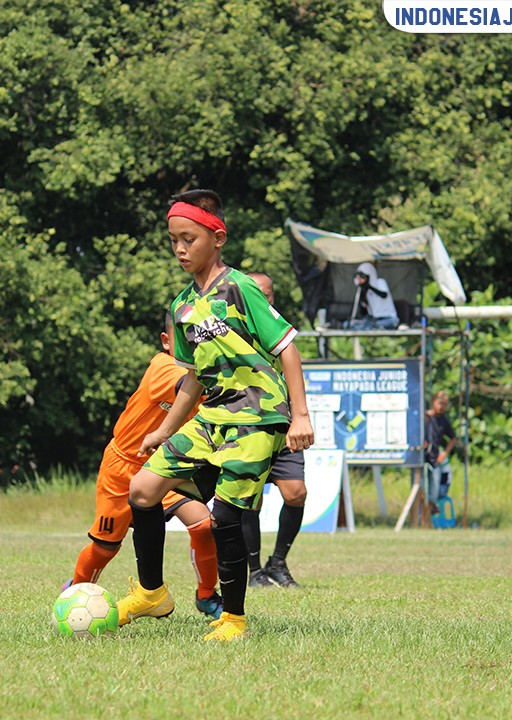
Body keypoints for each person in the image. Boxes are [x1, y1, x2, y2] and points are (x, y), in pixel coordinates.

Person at [116, 189, 314, 642]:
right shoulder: (182, 306)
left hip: (258, 419)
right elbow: (191, 380)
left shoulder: (240, 287)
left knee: (226, 516)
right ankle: (151, 594)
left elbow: (288, 348)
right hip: (211, 419)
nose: (181, 249)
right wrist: (163, 431)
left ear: (217, 237)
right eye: (173, 241)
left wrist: (300, 416)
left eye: (189, 238)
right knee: (143, 490)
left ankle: (233, 620)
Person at [67, 311, 223, 620]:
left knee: (204, 524)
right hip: (122, 468)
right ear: (167, 342)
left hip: (164, 467)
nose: (195, 346)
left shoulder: (209, 373)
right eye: (187, 339)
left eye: (201, 339)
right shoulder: (163, 367)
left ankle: (206, 596)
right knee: (105, 549)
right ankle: (73, 595)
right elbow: (187, 387)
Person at [241, 272, 306, 589]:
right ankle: (253, 570)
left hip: (283, 421)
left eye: (268, 294)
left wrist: (300, 415)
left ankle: (277, 562)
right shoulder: (235, 327)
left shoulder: (278, 327)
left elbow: (294, 365)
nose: (264, 300)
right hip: (247, 423)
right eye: (258, 294)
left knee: (296, 493)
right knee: (250, 499)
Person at [425, 390, 457, 513]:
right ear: (433, 402)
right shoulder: (426, 417)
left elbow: (453, 438)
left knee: (435, 489)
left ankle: (432, 508)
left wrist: (445, 453)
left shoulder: (443, 421)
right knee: (421, 488)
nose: (441, 407)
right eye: (439, 403)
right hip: (422, 457)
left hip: (435, 458)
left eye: (444, 404)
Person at [349, 262, 400, 330]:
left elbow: (383, 295)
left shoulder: (380, 282)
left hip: (389, 319)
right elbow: (364, 308)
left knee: (373, 326)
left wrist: (369, 286)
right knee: (355, 325)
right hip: (375, 320)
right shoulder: (366, 291)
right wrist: (363, 289)